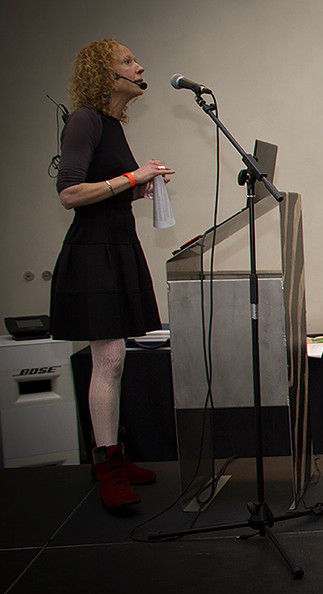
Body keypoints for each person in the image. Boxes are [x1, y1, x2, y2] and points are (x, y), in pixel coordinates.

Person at [50, 39, 175, 509]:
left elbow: (108, 189)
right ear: (105, 74)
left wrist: (140, 188)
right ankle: (107, 467)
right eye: (127, 60)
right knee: (111, 360)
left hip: (118, 246)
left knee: (115, 359)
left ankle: (115, 455)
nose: (139, 65)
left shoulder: (113, 125)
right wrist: (131, 178)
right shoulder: (83, 119)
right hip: (94, 252)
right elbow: (69, 193)